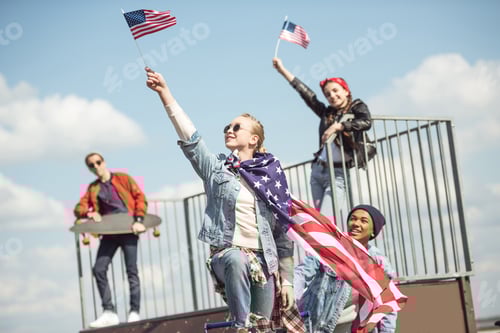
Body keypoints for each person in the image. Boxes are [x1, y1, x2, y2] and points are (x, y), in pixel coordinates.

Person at [145, 68, 302, 333]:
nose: (229, 129)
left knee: (262, 327)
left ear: (254, 139)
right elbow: (191, 140)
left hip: (264, 260)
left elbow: (282, 234)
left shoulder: (270, 177)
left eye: (236, 127)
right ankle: (239, 326)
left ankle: (249, 327)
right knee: (236, 260)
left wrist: (286, 280)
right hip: (226, 255)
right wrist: (164, 93)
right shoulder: (216, 169)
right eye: (227, 127)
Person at [272, 58, 373, 219]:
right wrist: (283, 70)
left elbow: (366, 121)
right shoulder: (327, 113)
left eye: (335, 90)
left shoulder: (357, 107)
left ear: (346, 91)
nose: (332, 96)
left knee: (325, 218)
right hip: (318, 171)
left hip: (338, 172)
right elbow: (307, 95)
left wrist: (339, 126)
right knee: (320, 220)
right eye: (327, 94)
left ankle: (332, 244)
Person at [294, 205, 397, 333]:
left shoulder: (378, 262)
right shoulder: (329, 248)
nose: (356, 223)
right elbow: (302, 273)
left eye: (363, 221)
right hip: (317, 324)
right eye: (353, 219)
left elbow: (387, 304)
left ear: (373, 231)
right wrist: (291, 294)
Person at [74, 152, 147, 328]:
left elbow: (140, 198)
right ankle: (109, 312)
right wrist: (89, 212)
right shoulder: (93, 188)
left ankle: (134, 312)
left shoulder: (123, 178)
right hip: (109, 233)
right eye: (91, 165)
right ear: (89, 169)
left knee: (131, 271)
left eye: (98, 162)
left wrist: (138, 221)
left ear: (104, 162)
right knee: (99, 268)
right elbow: (79, 208)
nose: (96, 166)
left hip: (129, 229)